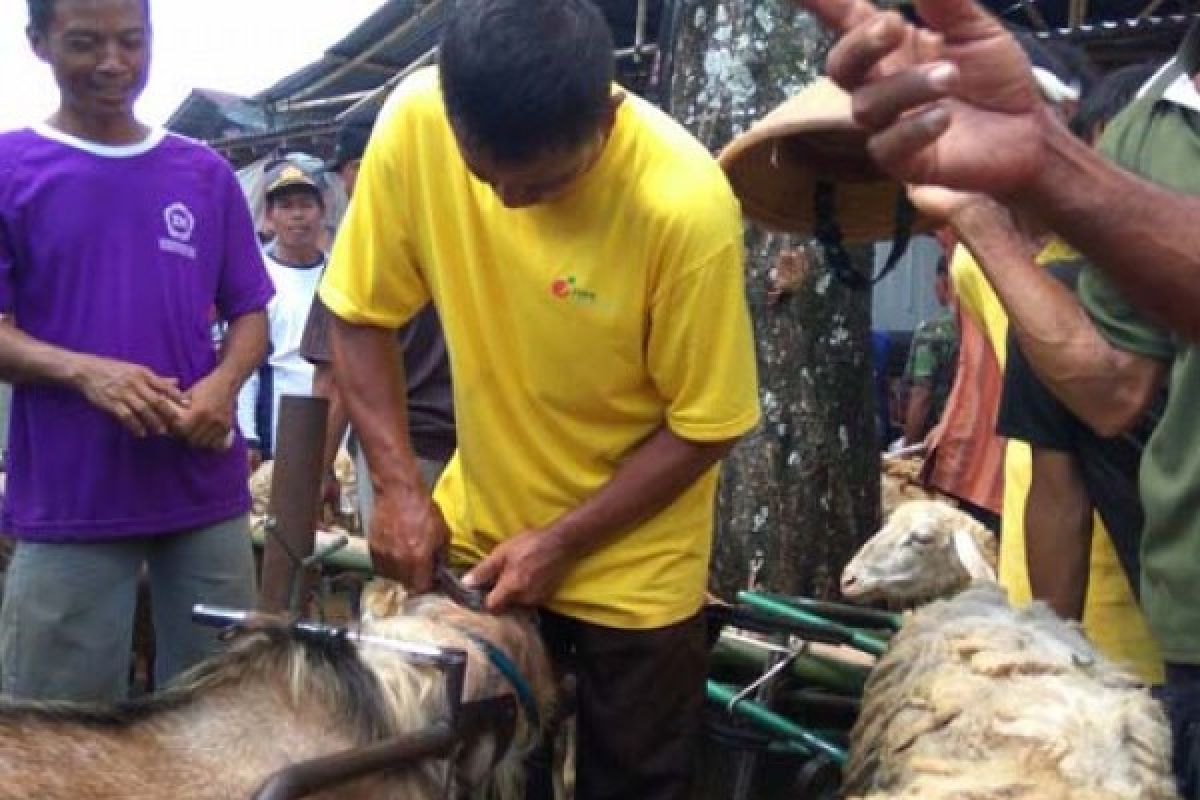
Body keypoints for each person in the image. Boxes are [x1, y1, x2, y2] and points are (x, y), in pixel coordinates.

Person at [319, 1, 760, 797]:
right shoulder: (413, 123)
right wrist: (396, 489)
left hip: (637, 565)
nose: (512, 203)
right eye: (486, 178)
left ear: (608, 111)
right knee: (470, 774)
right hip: (484, 543)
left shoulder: (685, 204)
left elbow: (706, 425)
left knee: (636, 781)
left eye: (547, 183)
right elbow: (357, 316)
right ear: (450, 110)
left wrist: (561, 542)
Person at [0, 0, 271, 703]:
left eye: (131, 40)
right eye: (86, 43)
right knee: (59, 734)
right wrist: (85, 371)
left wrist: (224, 385)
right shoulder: (10, 167)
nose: (114, 63)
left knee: (221, 718)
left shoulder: (203, 174)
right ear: (39, 42)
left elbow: (250, 315)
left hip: (202, 493)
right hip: (72, 501)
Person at [300, 119, 455, 529]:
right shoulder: (456, 233)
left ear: (360, 167)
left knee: (399, 588)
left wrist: (316, 472)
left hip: (399, 455)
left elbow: (332, 379)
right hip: (476, 452)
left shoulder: (359, 251)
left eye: (344, 175)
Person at [236, 159, 326, 468]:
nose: (298, 215)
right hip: (279, 428)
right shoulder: (256, 277)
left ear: (322, 212)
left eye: (306, 205)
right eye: (286, 206)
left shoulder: (340, 274)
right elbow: (244, 363)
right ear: (270, 217)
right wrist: (248, 436)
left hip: (341, 431)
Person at [899, 256, 957, 447]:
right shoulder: (986, 331)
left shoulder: (932, 333)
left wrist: (908, 449)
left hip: (936, 442)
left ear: (945, 280)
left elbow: (921, 396)